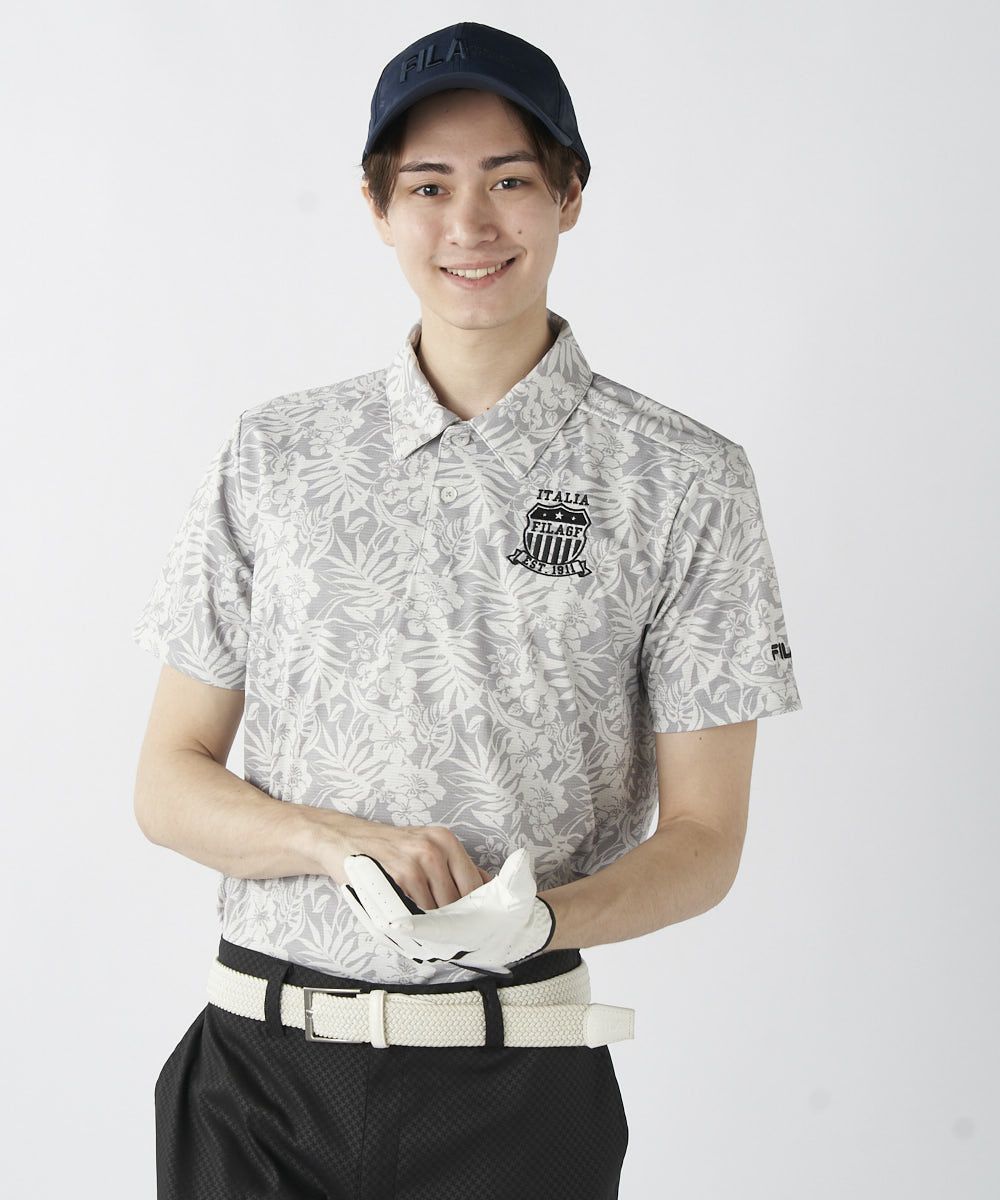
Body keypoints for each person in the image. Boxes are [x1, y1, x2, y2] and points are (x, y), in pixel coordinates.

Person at [132, 20, 802, 1199]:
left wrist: (537, 921)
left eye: (509, 181)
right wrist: (337, 844)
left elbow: (705, 842)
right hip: (257, 1083)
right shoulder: (275, 455)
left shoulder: (683, 481)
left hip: (514, 1089)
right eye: (429, 186)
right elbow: (168, 781)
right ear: (378, 207)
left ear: (569, 195)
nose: (469, 226)